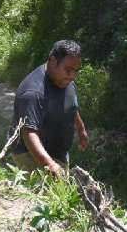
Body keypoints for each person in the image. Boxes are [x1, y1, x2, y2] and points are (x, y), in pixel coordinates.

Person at [9, 40, 89, 176]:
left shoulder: (64, 80)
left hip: (57, 154)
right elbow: (29, 133)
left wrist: (81, 130)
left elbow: (71, 106)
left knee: (63, 190)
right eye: (68, 70)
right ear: (53, 60)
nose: (72, 76)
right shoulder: (34, 92)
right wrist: (50, 164)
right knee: (47, 195)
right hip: (31, 154)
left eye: (76, 71)